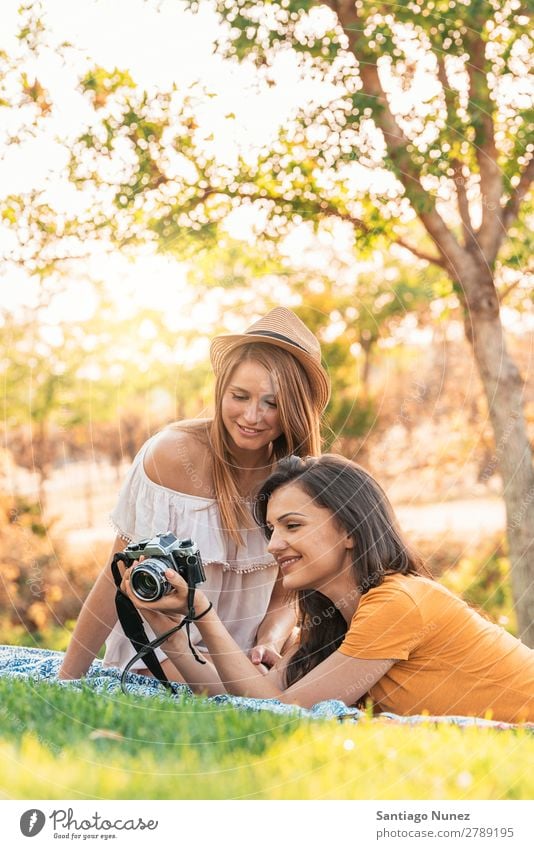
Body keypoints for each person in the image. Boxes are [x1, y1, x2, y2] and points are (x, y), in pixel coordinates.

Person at [120, 454, 534, 722]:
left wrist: (206, 615)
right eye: (270, 529)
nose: (273, 544)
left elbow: (280, 713)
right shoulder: (335, 624)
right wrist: (167, 626)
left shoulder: (399, 602)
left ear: (350, 528)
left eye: (292, 525)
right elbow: (243, 693)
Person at [58, 308, 331, 682]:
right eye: (240, 396)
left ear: (296, 409)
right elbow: (115, 576)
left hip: (245, 660)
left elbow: (286, 594)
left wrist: (269, 640)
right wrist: (68, 680)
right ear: (221, 392)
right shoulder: (171, 455)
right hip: (166, 650)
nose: (252, 416)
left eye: (272, 403)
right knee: (247, 695)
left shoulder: (298, 479)